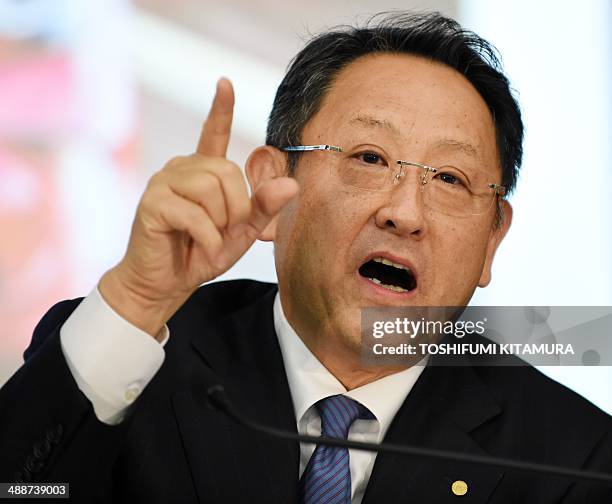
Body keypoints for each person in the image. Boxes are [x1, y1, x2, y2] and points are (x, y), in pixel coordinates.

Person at [1, 11, 611, 504]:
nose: (406, 212)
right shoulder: (133, 363)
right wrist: (136, 300)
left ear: (492, 240)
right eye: (370, 158)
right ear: (273, 188)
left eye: (450, 178)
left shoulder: (572, 458)